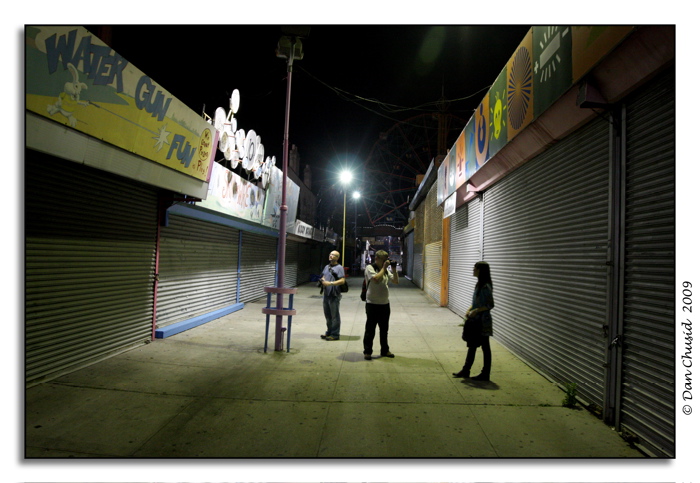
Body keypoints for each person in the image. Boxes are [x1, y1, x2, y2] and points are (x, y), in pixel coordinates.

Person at [453, 261, 494, 381]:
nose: (473, 270)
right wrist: (469, 310)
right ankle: (466, 370)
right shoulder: (479, 284)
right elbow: (475, 303)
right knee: (472, 345)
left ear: (481, 270)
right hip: (476, 320)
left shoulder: (486, 286)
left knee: (485, 347)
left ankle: (485, 373)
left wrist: (476, 311)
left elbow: (490, 305)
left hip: (483, 321)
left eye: (475, 268)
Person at [362, 250, 399, 360]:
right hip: (372, 303)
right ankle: (367, 352)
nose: (385, 263)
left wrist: (393, 269)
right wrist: (384, 268)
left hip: (384, 304)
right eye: (384, 260)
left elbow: (396, 281)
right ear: (377, 258)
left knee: (384, 329)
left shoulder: (386, 271)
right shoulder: (370, 268)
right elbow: (376, 279)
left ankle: (385, 350)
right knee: (370, 329)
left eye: (386, 260)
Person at [320, 250, 345, 341]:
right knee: (327, 315)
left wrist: (330, 283)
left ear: (337, 258)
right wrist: (322, 280)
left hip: (334, 294)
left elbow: (342, 281)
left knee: (334, 316)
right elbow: (323, 276)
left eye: (333, 255)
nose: (331, 256)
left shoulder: (339, 268)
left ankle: (335, 334)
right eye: (330, 254)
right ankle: (329, 331)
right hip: (326, 294)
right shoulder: (327, 266)